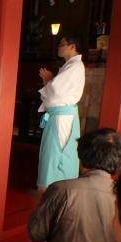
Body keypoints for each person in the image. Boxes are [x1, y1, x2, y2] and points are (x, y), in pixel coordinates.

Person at [37, 34, 85, 190]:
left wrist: (49, 79)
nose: (59, 47)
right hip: (59, 116)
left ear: (72, 46)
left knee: (57, 153)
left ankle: (53, 186)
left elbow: (56, 89)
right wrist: (49, 81)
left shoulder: (75, 66)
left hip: (62, 118)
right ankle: (50, 185)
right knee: (51, 152)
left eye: (62, 44)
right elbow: (56, 89)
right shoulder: (69, 66)